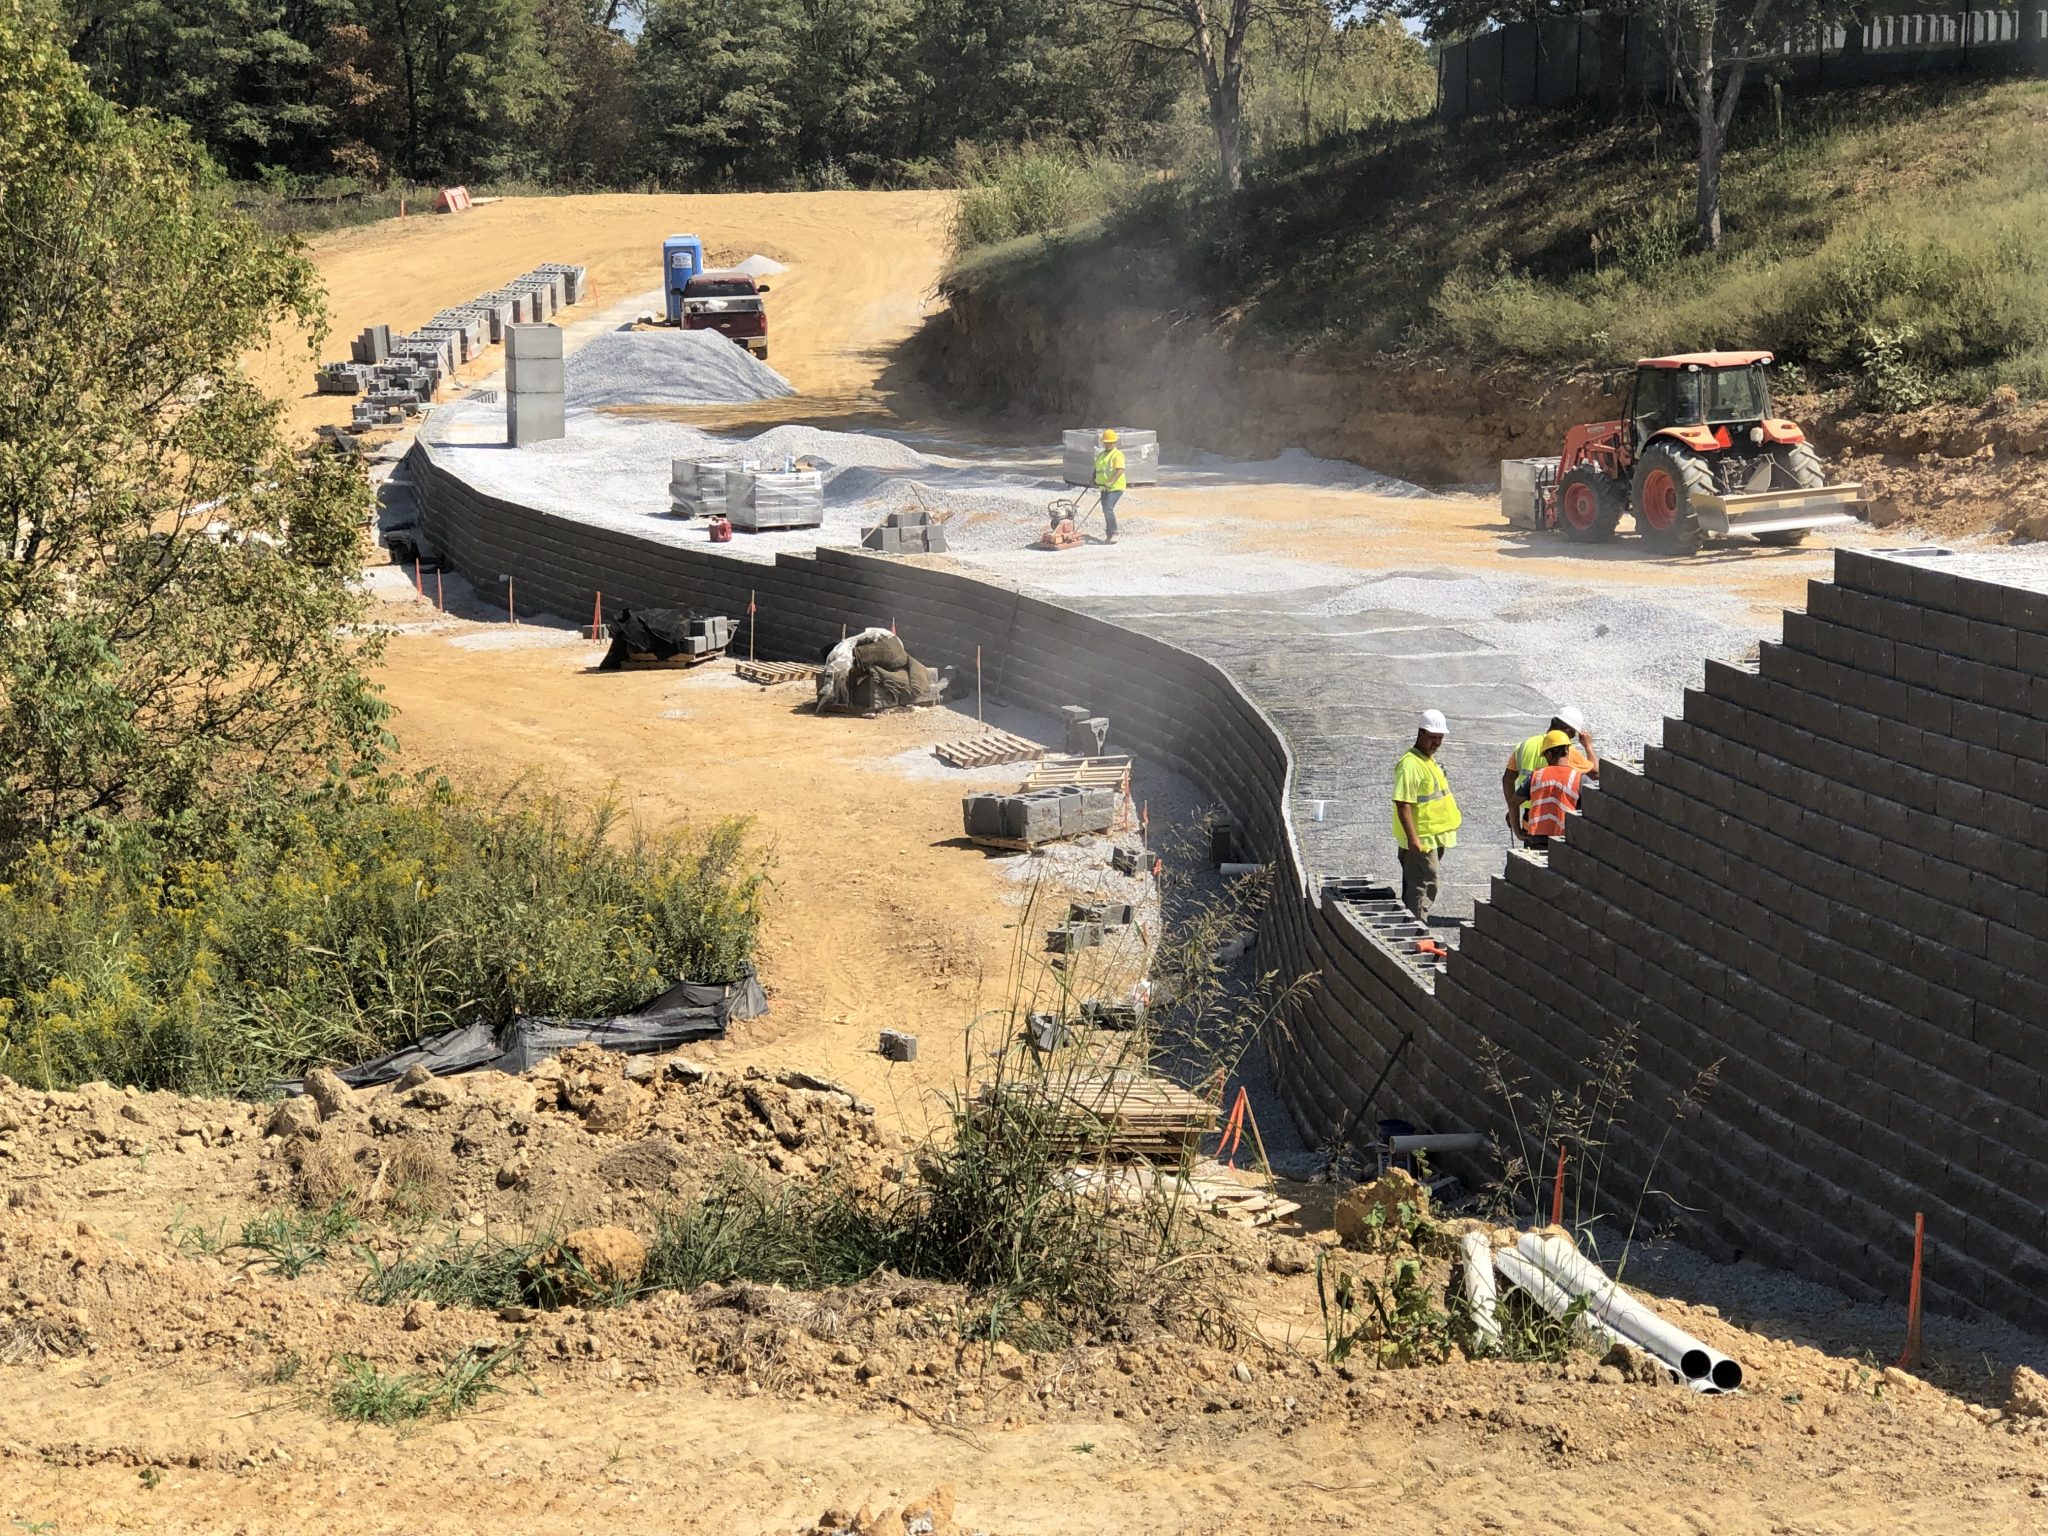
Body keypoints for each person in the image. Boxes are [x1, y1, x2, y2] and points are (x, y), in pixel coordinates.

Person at [1393, 708, 1461, 921]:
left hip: (1431, 837)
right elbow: (1402, 803)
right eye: (1432, 737)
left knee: (1420, 883)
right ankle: (1415, 928)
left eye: (1440, 738)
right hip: (1421, 840)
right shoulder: (1411, 764)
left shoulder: (1426, 760)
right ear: (1421, 733)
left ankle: (1413, 924)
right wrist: (1413, 839)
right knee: (1423, 884)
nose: (1437, 742)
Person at [1502, 704, 1597, 842]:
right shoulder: (1567, 751)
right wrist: (1588, 746)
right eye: (1572, 735)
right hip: (1563, 829)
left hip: (1532, 822)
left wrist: (1513, 815)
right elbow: (1597, 773)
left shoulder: (1525, 745)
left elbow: (1507, 780)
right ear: (1568, 731)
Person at [1521, 730, 1585, 848]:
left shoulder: (1536, 776)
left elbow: (1513, 802)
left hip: (1537, 838)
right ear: (1567, 751)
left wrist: (1518, 831)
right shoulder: (1578, 778)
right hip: (1565, 839)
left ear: (1549, 755)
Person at [1093, 429, 1128, 543]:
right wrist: (1092, 479)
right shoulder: (1101, 455)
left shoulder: (1117, 455)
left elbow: (1120, 470)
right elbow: (1097, 469)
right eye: (1106, 442)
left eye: (1110, 442)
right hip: (1104, 487)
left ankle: (1114, 533)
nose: (1107, 444)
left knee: (1108, 508)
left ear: (1114, 442)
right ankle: (1109, 534)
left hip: (1116, 487)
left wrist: (1111, 482)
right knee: (1105, 509)